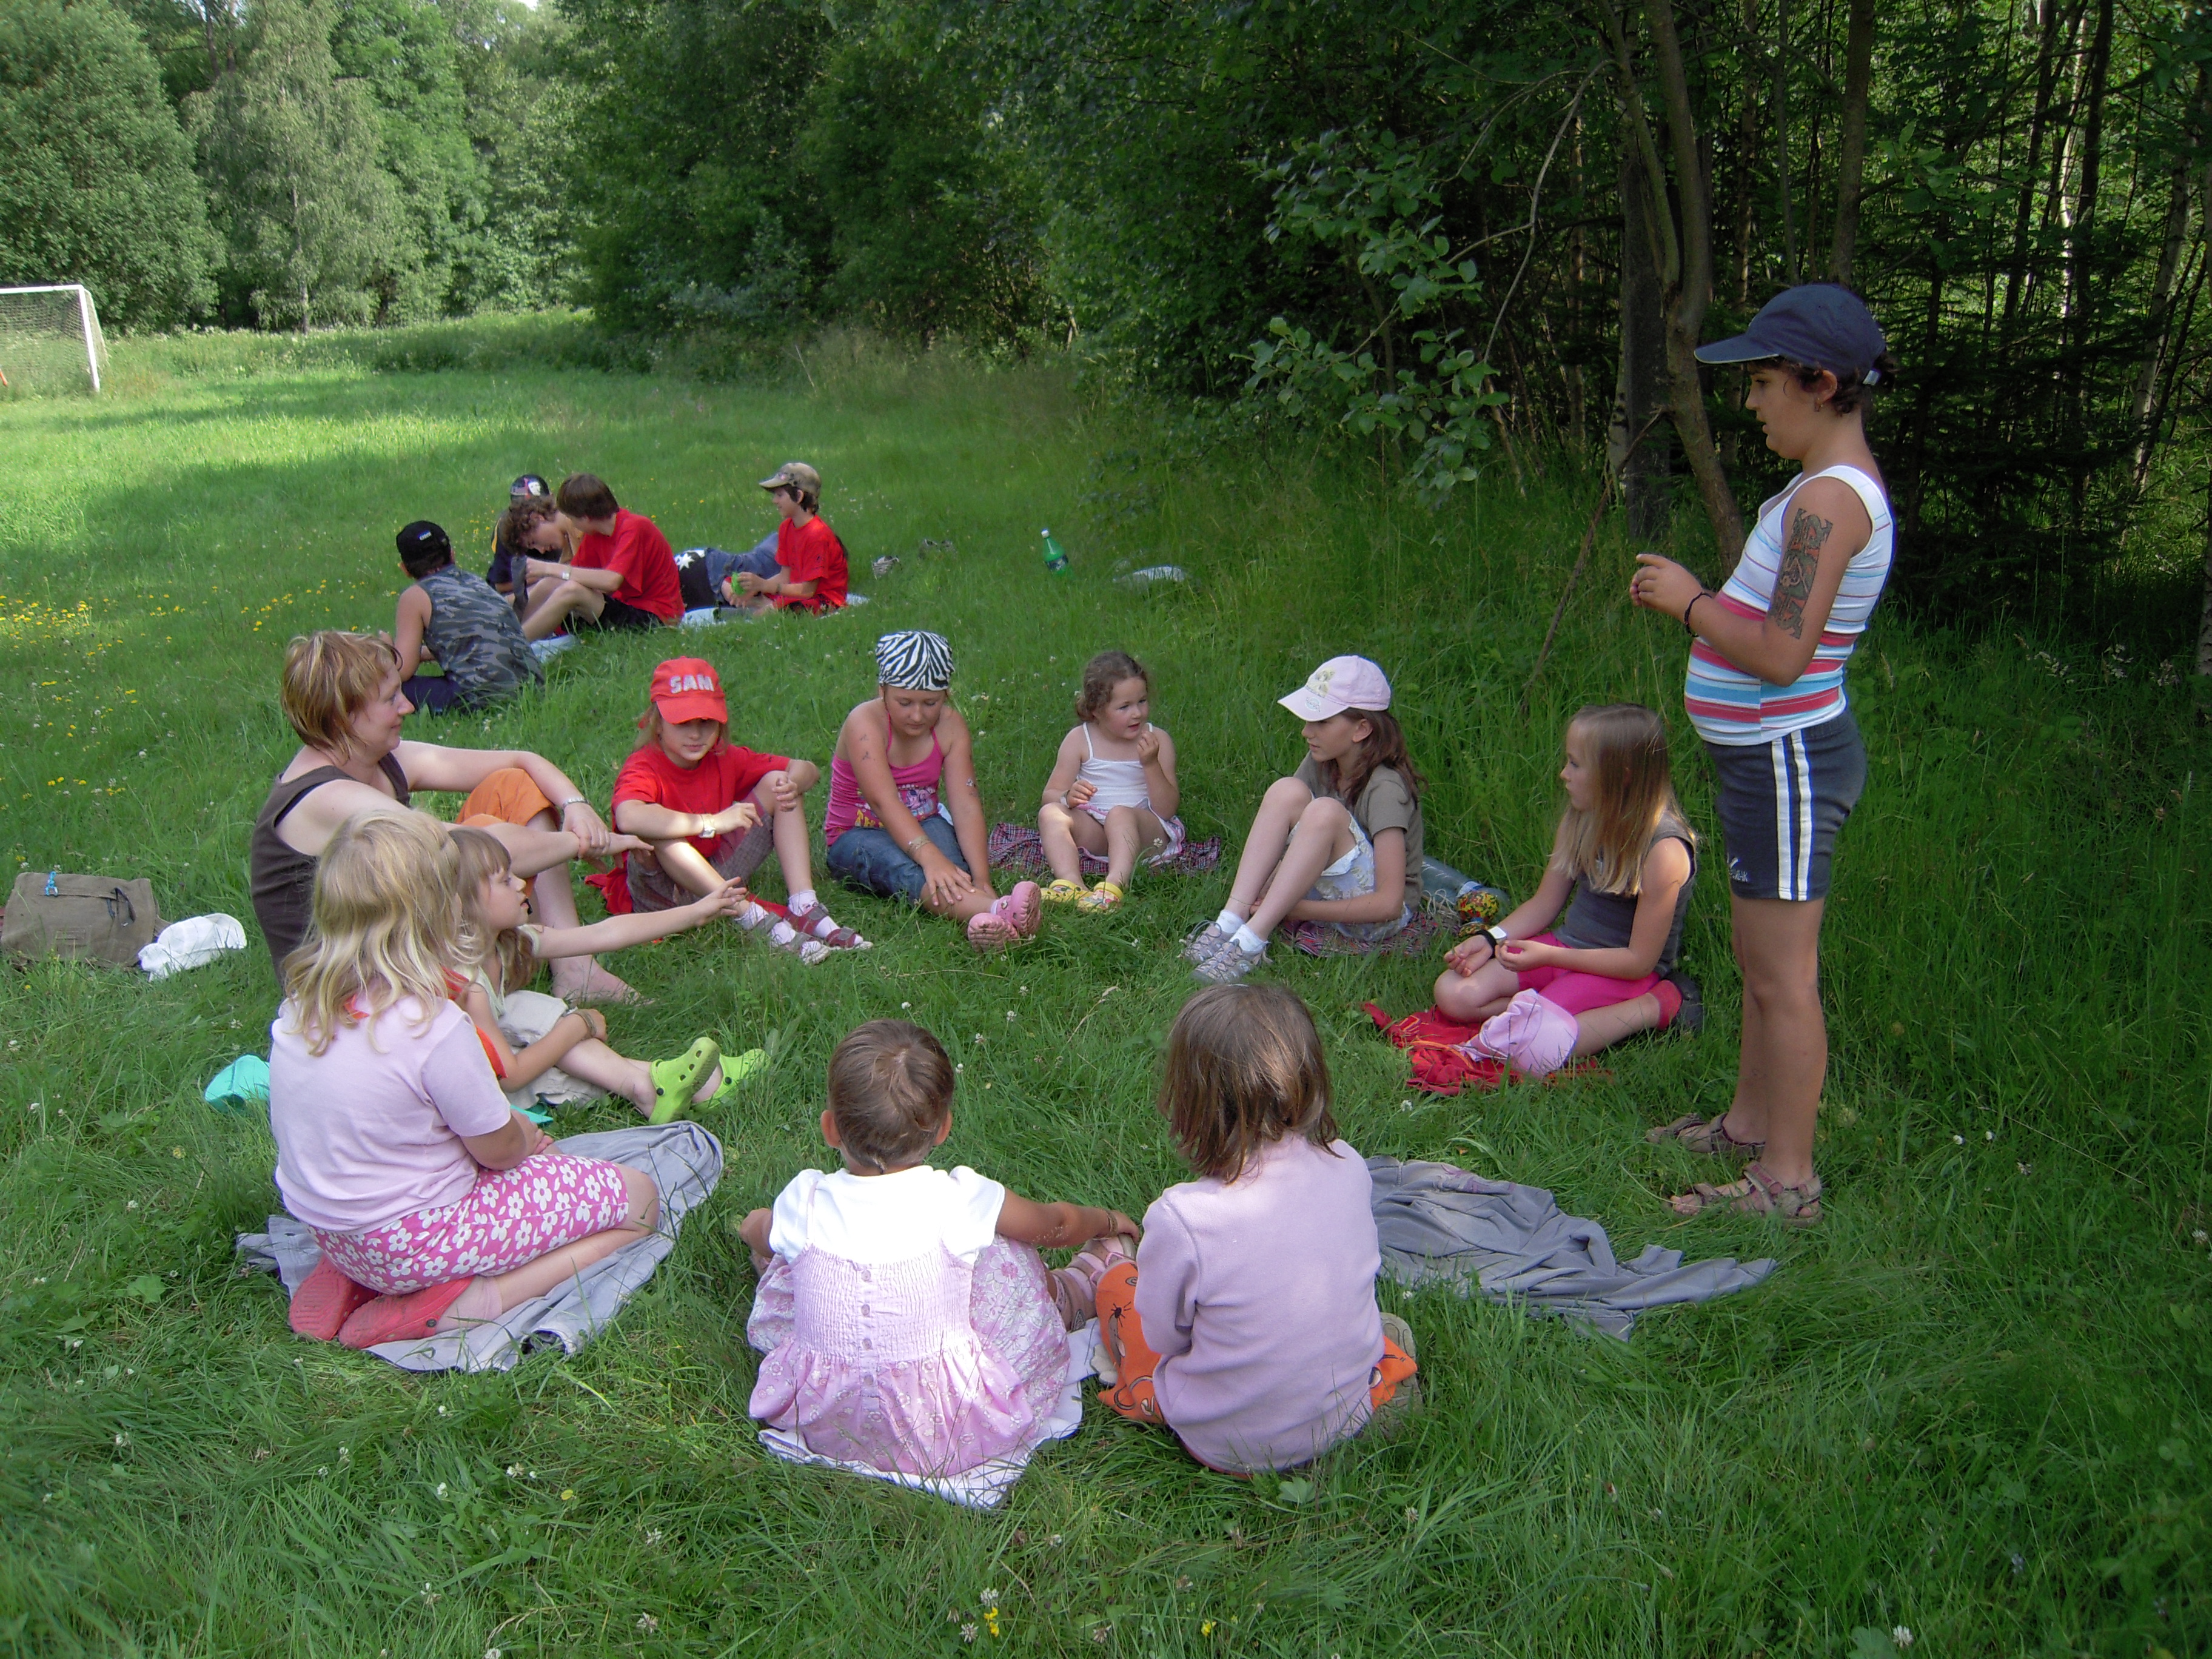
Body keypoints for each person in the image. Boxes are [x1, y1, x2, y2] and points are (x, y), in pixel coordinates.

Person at [1629, 282, 1897, 1227]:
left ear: (1819, 383)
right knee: (1757, 956)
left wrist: (1690, 604)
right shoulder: (1818, 489)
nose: (1750, 402)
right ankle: (1747, 1127)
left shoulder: (1829, 502)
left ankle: (1788, 1182)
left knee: (1784, 976)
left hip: (1790, 761)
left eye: (1764, 383)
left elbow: (1783, 656)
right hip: (1766, 761)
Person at [272, 811, 662, 1350]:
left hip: (333, 1230)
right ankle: (466, 1301)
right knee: (640, 1201)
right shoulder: (431, 1025)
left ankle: (354, 1276)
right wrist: (524, 1136)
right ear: (441, 912)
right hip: (412, 1240)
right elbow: (499, 1152)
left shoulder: (299, 1009)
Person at [739, 1019, 1139, 1478]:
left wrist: (754, 1226)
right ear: (943, 1128)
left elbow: (758, 1230)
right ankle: (1071, 1294)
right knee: (1003, 1253)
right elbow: (1056, 1225)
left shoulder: (805, 1200)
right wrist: (1108, 1220)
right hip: (944, 1428)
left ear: (831, 1129)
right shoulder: (960, 1200)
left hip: (825, 1420)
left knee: (789, 1258)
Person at [1091, 984, 1416, 1473]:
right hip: (1344, 1412)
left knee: (1119, 1284)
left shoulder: (1184, 1218)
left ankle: (1132, 1353)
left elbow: (1164, 1336)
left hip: (1225, 1442)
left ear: (1191, 1101)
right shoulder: (1348, 1163)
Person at [249, 629, 643, 1004]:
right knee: (474, 841)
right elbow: (476, 852)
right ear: (344, 717)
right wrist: (581, 842)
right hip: (354, 987)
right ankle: (521, 974)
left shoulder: (376, 757)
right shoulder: (327, 798)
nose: (407, 706)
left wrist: (576, 806)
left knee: (513, 786)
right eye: (390, 699)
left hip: (397, 943)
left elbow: (521, 761)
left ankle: (575, 968)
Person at [1433, 704, 1700, 1060]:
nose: (1564, 774)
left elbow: (1639, 961)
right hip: (1564, 948)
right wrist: (1490, 939)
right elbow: (1545, 903)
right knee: (1452, 993)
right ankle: (1533, 1015)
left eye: (1575, 764)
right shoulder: (1581, 819)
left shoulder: (1664, 850)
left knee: (1535, 1049)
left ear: (1619, 776)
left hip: (1621, 972)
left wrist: (1549, 956)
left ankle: (1656, 1005)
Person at [449, 827, 756, 1122]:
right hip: (475, 1096)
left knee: (533, 1020)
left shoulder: (508, 942)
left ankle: (669, 1083)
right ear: (466, 903)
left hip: (496, 1070)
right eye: (505, 880)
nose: (520, 884)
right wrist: (579, 1024)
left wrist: (695, 912)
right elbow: (511, 1075)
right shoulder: (469, 985)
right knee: (529, 1015)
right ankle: (666, 1089)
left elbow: (604, 933)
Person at [598, 657, 868, 961]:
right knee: (661, 833)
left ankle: (804, 903)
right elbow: (629, 815)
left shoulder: (722, 757)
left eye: (706, 722)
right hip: (662, 898)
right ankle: (752, 917)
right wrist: (711, 822)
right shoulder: (644, 765)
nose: (696, 734)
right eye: (683, 723)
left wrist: (793, 784)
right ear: (657, 722)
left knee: (778, 783)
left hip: (715, 876)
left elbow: (806, 769)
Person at [1184, 655, 1424, 985]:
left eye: (1321, 722)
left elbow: (1390, 904)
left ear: (1362, 729)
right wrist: (1266, 889)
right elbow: (1294, 834)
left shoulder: (1386, 788)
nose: (1306, 731)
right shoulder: (1323, 761)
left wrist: (1297, 910)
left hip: (1376, 920)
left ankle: (1251, 942)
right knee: (1287, 790)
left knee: (1325, 811)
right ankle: (1230, 921)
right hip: (1327, 884)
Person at [823, 630, 1041, 953]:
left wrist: (981, 878)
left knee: (954, 873)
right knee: (907, 869)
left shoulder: (951, 727)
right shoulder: (864, 722)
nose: (917, 715)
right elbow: (883, 801)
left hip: (925, 820)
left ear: (946, 695)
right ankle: (997, 911)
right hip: (855, 835)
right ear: (882, 691)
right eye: (904, 703)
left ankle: (985, 921)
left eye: (930, 703)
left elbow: (966, 804)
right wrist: (929, 857)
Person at [1036, 650, 1184, 914]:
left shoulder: (1157, 740)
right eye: (1124, 707)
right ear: (1096, 711)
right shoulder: (1079, 740)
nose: (1137, 713)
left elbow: (1166, 809)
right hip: (1097, 829)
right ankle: (1071, 884)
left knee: (1119, 815)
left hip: (1146, 831)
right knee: (1050, 814)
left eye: (1142, 701)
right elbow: (1050, 794)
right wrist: (1067, 796)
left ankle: (1114, 886)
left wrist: (1151, 764)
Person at [390, 520, 543, 714]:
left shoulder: (414, 597)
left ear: (405, 569)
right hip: (533, 687)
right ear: (452, 554)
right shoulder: (475, 582)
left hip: (483, 698)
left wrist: (387, 655)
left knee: (390, 690)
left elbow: (403, 671)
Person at [518, 474, 682, 639]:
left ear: (585, 517)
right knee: (553, 582)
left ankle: (518, 644)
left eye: (571, 518)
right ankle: (512, 630)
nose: (572, 524)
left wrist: (549, 568)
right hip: (624, 607)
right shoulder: (596, 535)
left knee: (571, 591)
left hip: (658, 618)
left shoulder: (635, 528)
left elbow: (611, 581)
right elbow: (574, 574)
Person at [719, 462, 849, 615]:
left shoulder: (817, 535)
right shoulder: (786, 528)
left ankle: (764, 607)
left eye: (780, 495)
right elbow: (785, 576)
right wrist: (756, 588)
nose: (775, 501)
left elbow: (808, 591)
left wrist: (764, 586)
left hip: (822, 598)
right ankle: (763, 604)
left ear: (799, 496)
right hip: (794, 592)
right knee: (727, 584)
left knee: (776, 612)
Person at [486, 474, 550, 597]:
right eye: (520, 509)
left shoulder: (561, 522)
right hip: (518, 591)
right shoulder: (510, 529)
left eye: (536, 507)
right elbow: (501, 585)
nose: (528, 516)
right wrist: (549, 574)